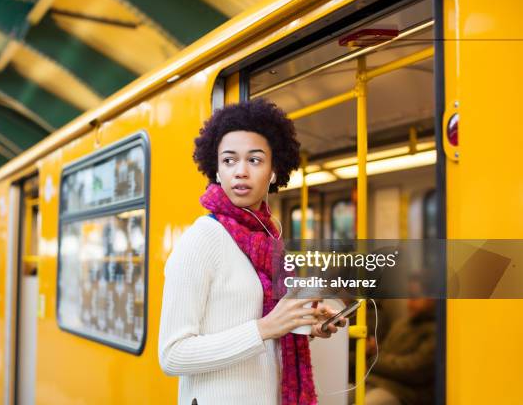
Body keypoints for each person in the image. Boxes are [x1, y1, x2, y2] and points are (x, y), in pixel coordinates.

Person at [158, 99, 346, 405]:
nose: (241, 172)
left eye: (255, 160)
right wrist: (266, 328)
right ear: (216, 170)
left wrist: (305, 324)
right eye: (229, 161)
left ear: (274, 171)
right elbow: (172, 355)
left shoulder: (268, 240)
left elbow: (266, 333)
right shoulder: (201, 240)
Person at [358, 278, 436, 405]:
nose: (409, 304)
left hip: (404, 392)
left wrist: (374, 357)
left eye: (415, 298)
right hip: (374, 381)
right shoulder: (402, 324)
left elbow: (414, 369)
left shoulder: (436, 330)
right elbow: (386, 351)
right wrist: (374, 349)